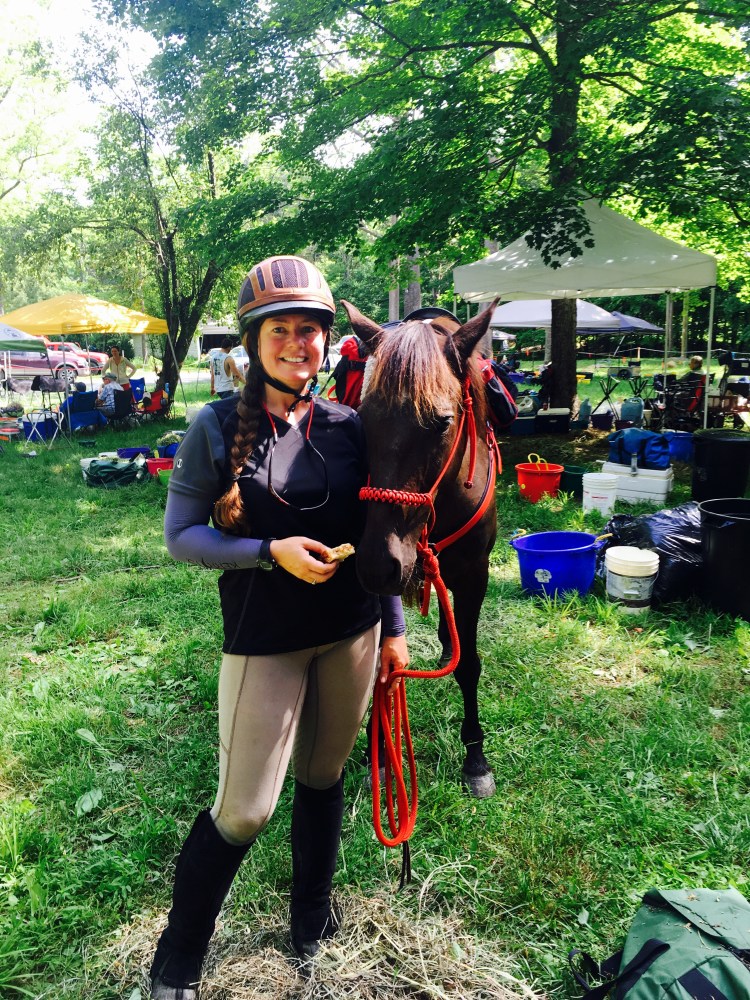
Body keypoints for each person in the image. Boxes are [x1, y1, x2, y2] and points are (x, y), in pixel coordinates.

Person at [151, 255, 409, 1000]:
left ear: (327, 340)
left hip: (352, 631)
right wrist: (269, 552)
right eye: (281, 331)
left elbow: (381, 532)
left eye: (310, 330)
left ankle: (311, 924)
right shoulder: (214, 427)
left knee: (324, 778)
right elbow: (181, 537)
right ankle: (178, 958)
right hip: (265, 636)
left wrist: (393, 627)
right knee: (244, 810)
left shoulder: (351, 426)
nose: (299, 344)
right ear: (253, 342)